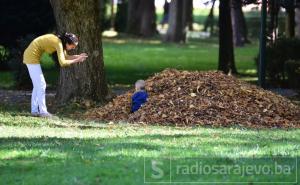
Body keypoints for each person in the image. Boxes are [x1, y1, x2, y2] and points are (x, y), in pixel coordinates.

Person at [23, 33, 88, 117]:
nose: (74, 48)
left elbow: (66, 57)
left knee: (38, 85)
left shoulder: (60, 43)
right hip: (31, 57)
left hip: (30, 56)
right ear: (67, 43)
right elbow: (63, 63)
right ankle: (43, 112)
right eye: (73, 46)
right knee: (41, 85)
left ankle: (34, 111)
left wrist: (78, 57)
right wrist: (77, 60)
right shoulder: (58, 43)